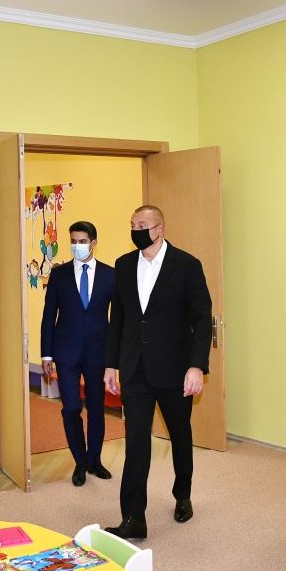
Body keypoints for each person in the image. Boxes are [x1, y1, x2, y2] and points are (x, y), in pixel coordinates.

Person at [103, 205, 212, 540]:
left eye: (143, 224)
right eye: (132, 224)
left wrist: (196, 366)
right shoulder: (123, 265)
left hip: (175, 370)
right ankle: (133, 517)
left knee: (180, 435)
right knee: (136, 443)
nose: (136, 230)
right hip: (135, 369)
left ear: (160, 228)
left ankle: (183, 495)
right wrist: (111, 363)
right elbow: (118, 320)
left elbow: (201, 319)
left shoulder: (187, 265)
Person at [40, 221, 115, 487]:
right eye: (73, 241)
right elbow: (49, 316)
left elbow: (117, 319)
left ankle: (94, 460)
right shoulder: (59, 275)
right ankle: (80, 462)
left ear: (93, 243)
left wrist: (114, 359)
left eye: (82, 241)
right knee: (71, 407)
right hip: (66, 352)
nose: (77, 246)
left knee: (96, 408)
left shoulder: (110, 275)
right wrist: (46, 355)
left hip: (98, 352)